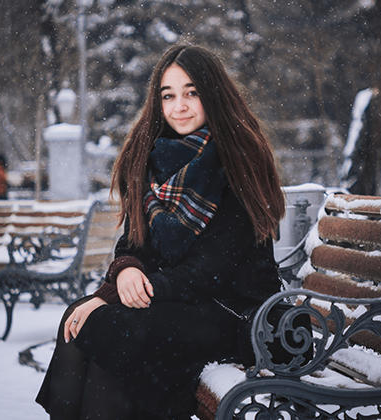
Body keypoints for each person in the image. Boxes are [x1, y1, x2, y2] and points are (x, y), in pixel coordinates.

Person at [36, 44, 285, 420]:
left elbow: (209, 272)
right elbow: (134, 241)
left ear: (212, 94)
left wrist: (128, 296)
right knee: (78, 318)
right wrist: (124, 273)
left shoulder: (238, 161)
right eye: (168, 96)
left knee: (111, 331)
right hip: (182, 301)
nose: (179, 106)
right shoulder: (155, 159)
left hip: (234, 312)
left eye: (191, 93)